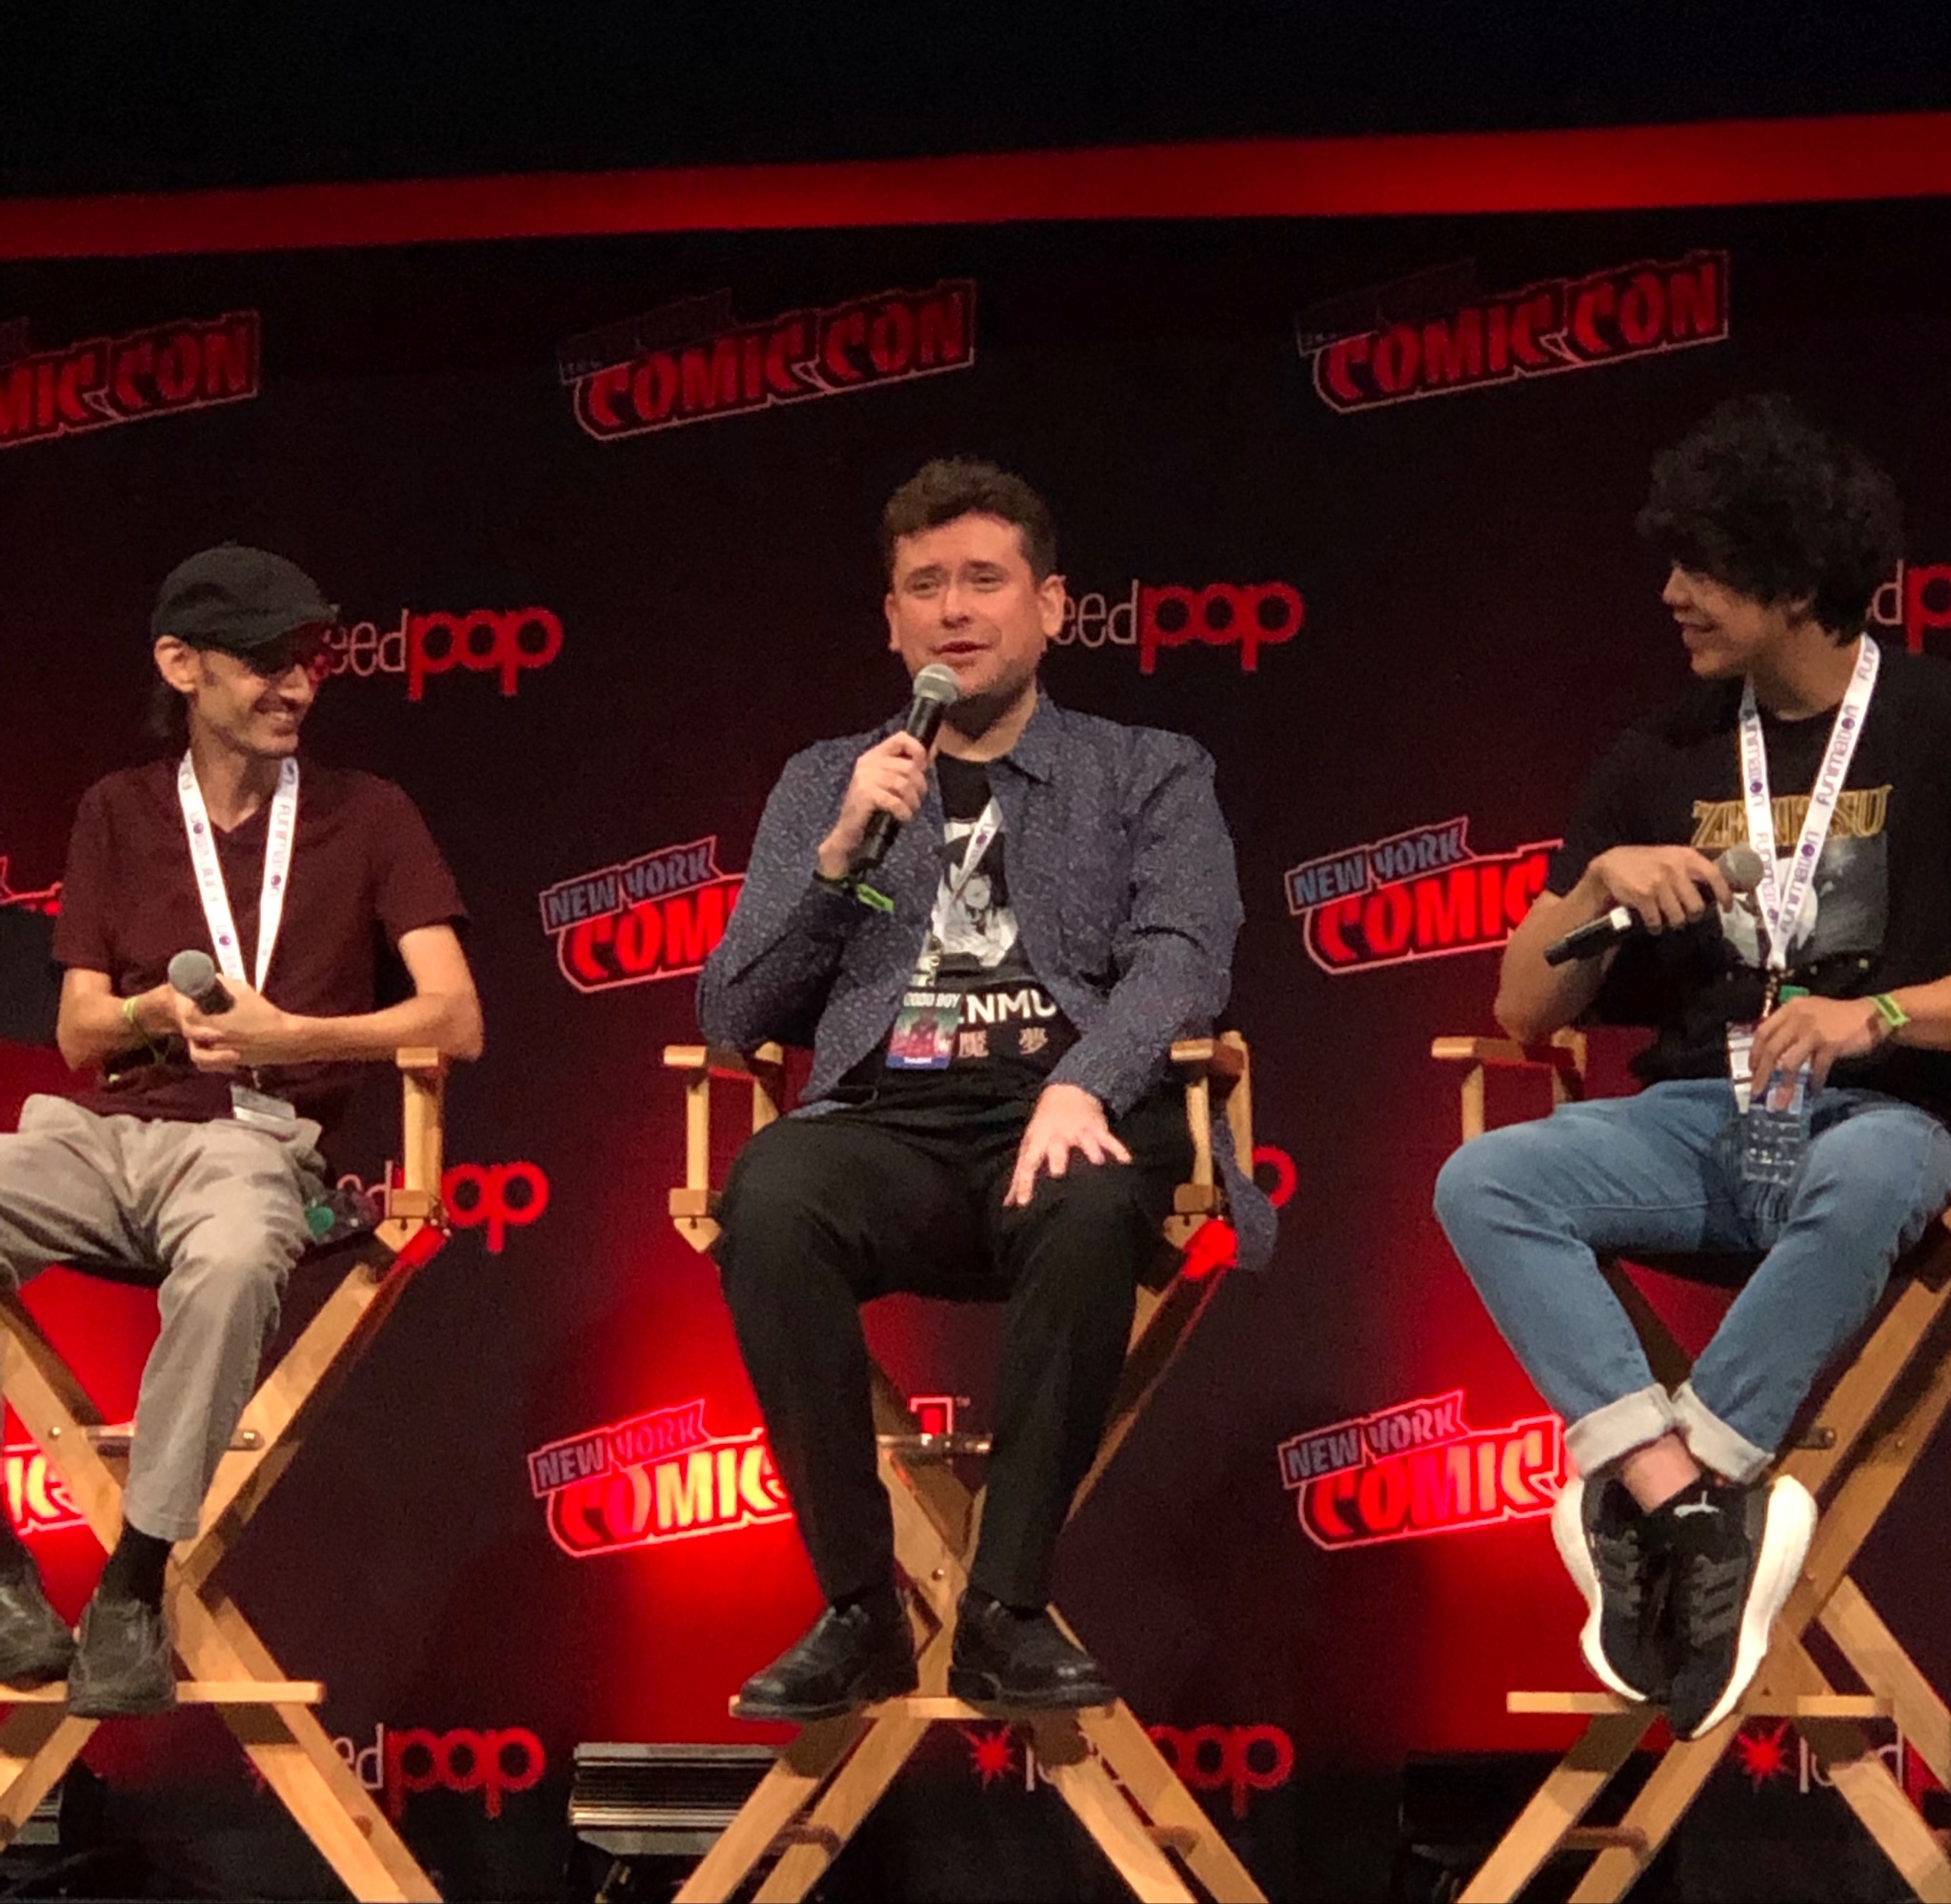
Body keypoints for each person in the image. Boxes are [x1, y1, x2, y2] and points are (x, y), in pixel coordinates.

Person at [697, 457, 1267, 1719]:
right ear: (891, 622)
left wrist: (1086, 1081)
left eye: (983, 579)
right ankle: (859, 1606)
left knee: (1088, 1195)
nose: (954, 609)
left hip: (1063, 1110)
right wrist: (837, 858)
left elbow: (1185, 958)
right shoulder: (829, 778)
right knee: (773, 1195)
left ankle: (1004, 1608)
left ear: (1050, 605)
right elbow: (733, 1014)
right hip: (888, 1123)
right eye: (924, 586)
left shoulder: (1148, 768)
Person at [1435, 394, 1951, 1739]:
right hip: (1695, 1120)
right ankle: (1687, 1503)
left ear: (1796, 576)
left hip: (1877, 1118)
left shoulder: (1936, 722)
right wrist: (1594, 887)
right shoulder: (1657, 753)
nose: (1671, 595)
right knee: (1486, 1178)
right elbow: (1522, 1006)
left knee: (1878, 1162)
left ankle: (1684, 1483)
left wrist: (1872, 1015)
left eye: (1704, 566)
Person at [0, 545, 481, 1715]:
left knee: (228, 1263)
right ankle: (4, 1578)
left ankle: (133, 1585)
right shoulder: (118, 809)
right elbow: (77, 1031)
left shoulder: (370, 814)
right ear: (183, 666)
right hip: (101, 1134)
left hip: (252, 1146)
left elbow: (454, 1017)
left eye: (307, 659)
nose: (297, 684)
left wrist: (288, 1033)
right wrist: (153, 1012)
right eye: (266, 661)